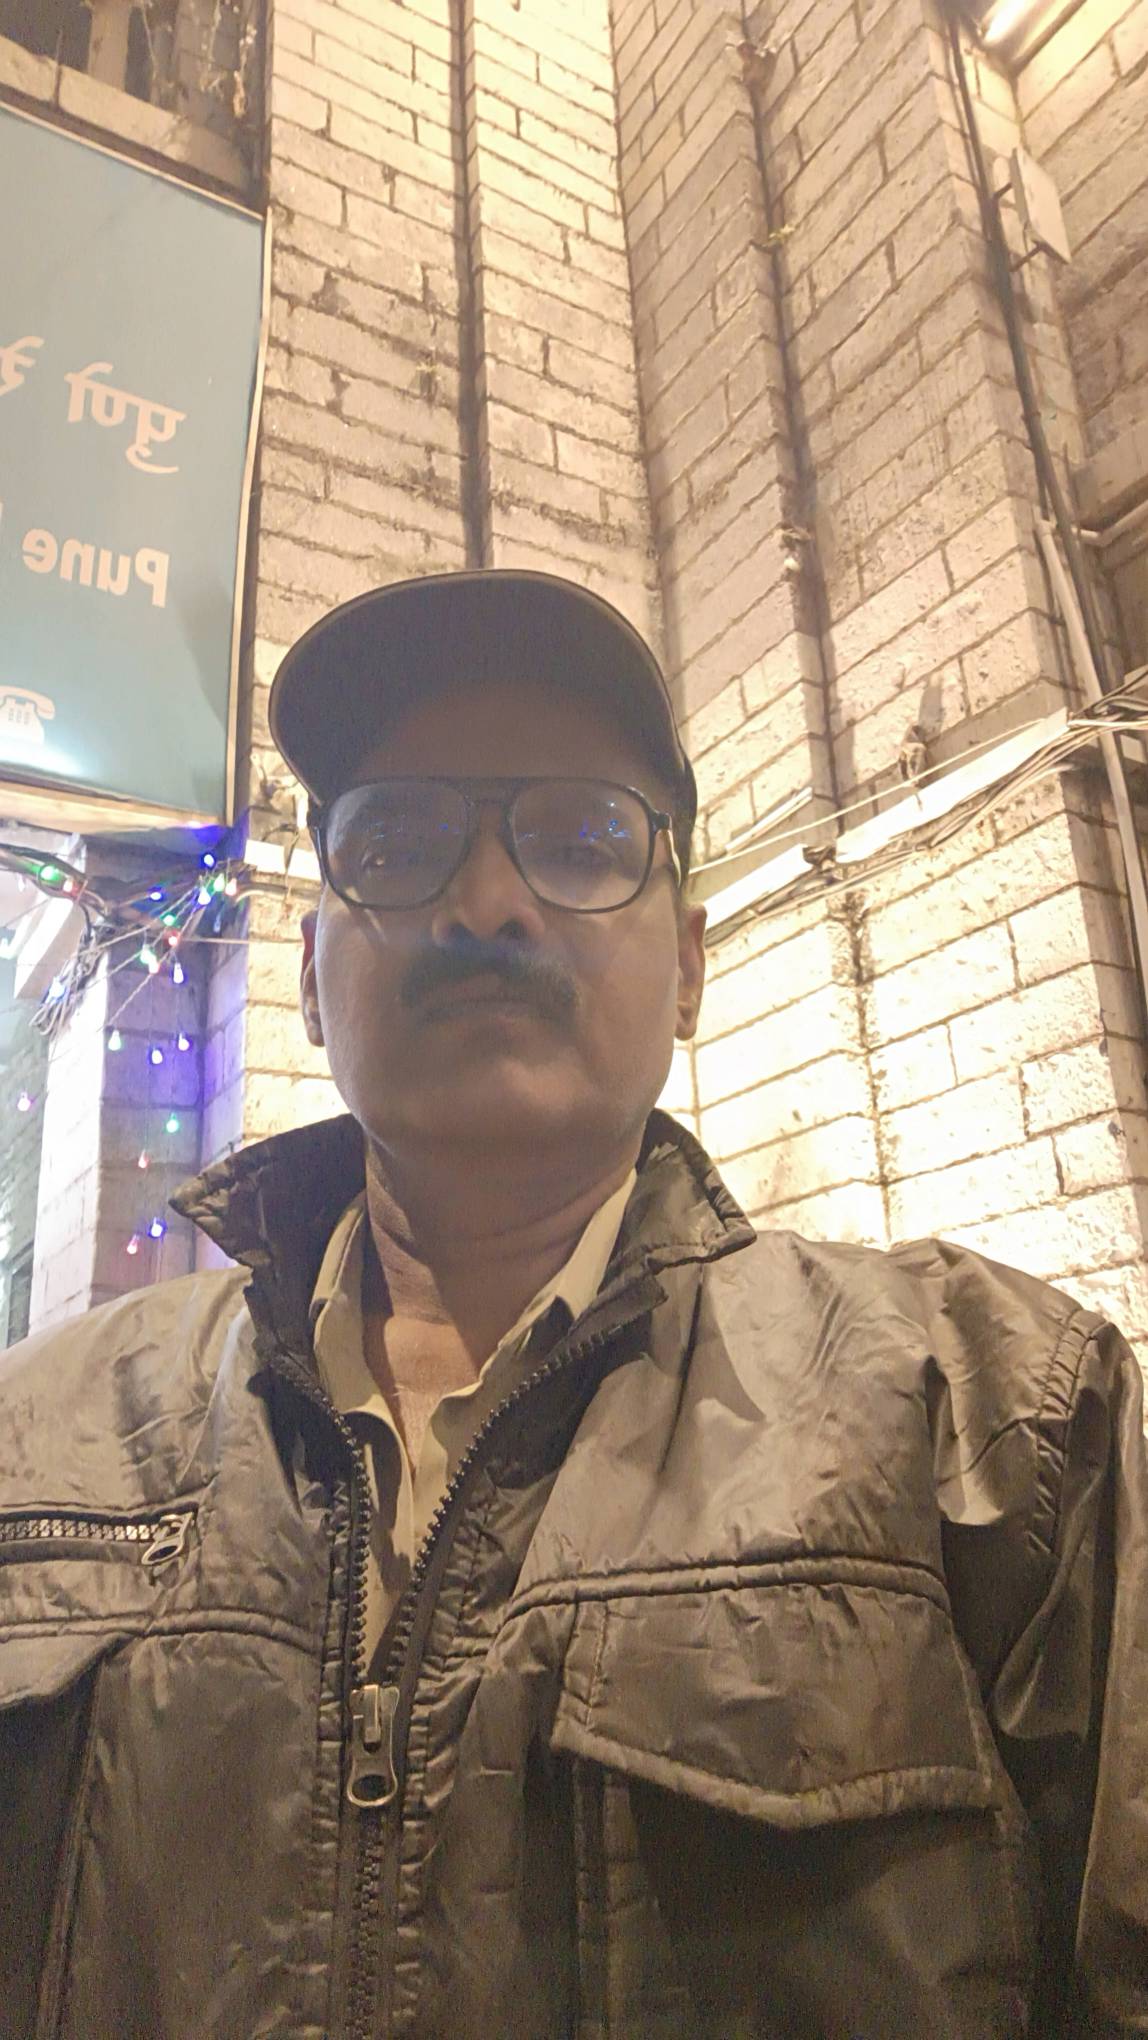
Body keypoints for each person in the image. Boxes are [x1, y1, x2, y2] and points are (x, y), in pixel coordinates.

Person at [0, 570, 1145, 2040]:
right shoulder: (37, 1443)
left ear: (689, 969)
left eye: (584, 840)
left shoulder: (998, 1424)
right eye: (396, 840)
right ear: (309, 976)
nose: (487, 902)